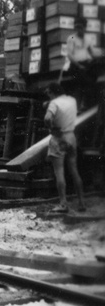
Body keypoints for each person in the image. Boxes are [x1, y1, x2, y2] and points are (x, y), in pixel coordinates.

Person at [44, 83, 86, 213]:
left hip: (59, 137)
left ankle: (63, 204)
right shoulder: (72, 100)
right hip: (71, 137)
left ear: (52, 92)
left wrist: (51, 128)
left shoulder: (54, 103)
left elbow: (47, 118)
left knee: (59, 172)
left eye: (49, 93)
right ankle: (81, 203)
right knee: (74, 171)